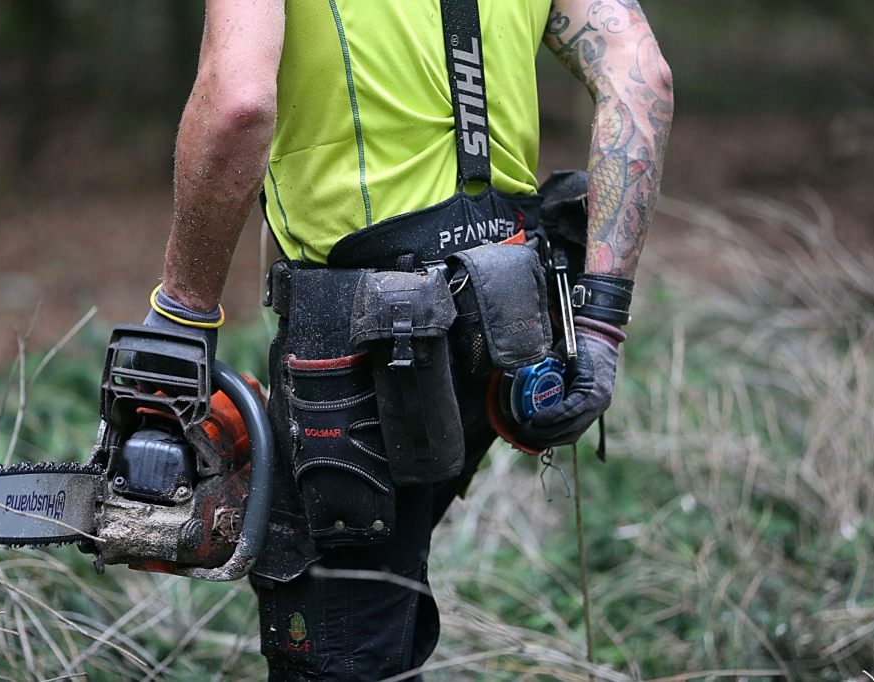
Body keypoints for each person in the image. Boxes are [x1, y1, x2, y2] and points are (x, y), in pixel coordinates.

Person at [139, 0, 672, 678]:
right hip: (501, 317)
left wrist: (183, 314)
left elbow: (239, 102)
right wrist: (599, 321)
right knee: (375, 600)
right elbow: (641, 73)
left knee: (339, 646)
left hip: (362, 342)